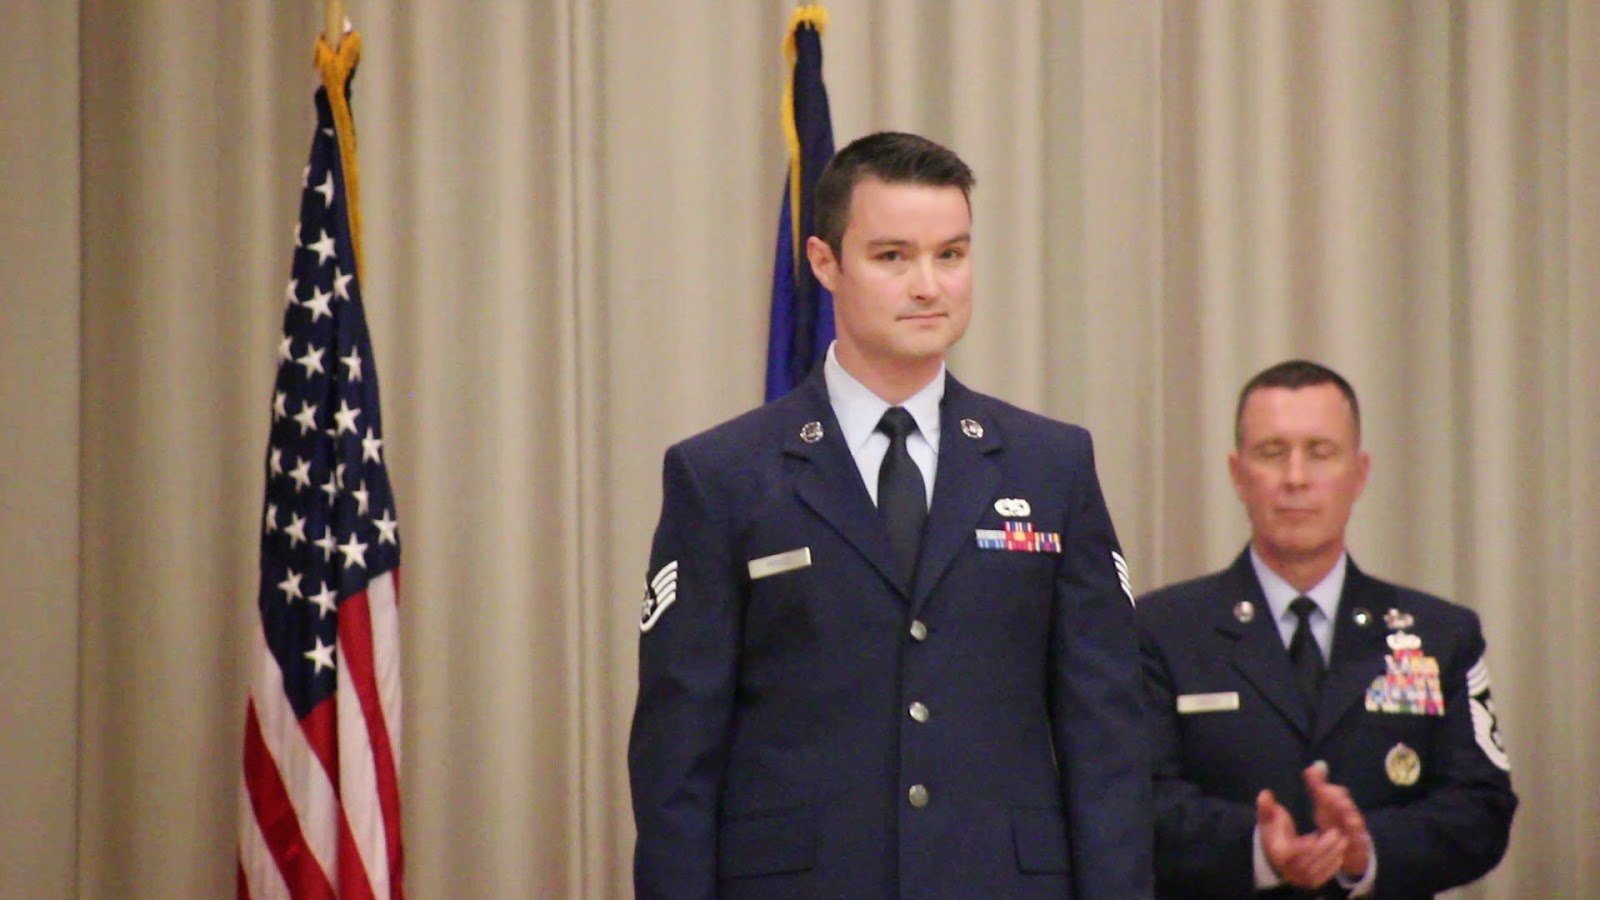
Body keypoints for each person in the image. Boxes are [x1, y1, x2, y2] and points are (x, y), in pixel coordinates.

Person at [628, 131, 1152, 899]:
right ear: (824, 263)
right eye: (893, 257)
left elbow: (1105, 736)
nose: (928, 286)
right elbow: (677, 757)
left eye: (951, 254)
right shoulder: (723, 475)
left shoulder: (1051, 464)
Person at [1138, 359, 1516, 898]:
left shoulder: (1441, 636)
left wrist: (1366, 851)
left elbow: (1481, 809)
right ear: (1238, 474)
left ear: (1359, 473)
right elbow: (1132, 798)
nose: (1296, 477)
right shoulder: (1162, 630)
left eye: (1320, 452)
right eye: (1273, 452)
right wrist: (1257, 848)